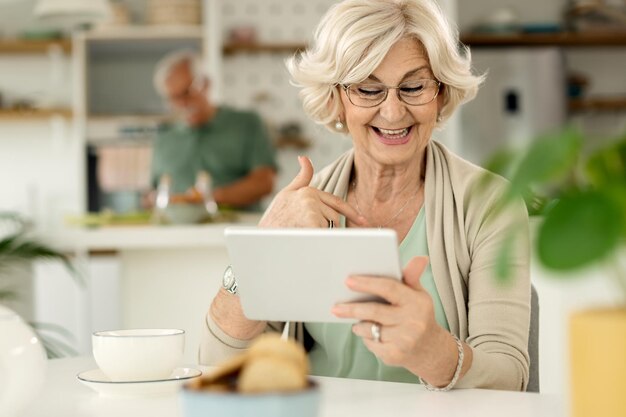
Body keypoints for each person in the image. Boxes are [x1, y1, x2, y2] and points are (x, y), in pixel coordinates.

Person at [200, 0, 531, 391]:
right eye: (368, 89)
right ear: (336, 99)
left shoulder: (490, 202)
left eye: (413, 86)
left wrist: (432, 351)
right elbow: (217, 365)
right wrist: (258, 249)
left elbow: (509, 379)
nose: (392, 112)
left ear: (441, 94)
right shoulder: (307, 204)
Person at [150, 50, 277, 211]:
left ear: (206, 83)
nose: (183, 103)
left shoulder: (247, 123)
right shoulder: (164, 138)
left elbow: (264, 183)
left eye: (188, 92)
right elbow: (154, 193)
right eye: (174, 98)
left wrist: (208, 198)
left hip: (236, 227)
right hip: (177, 232)